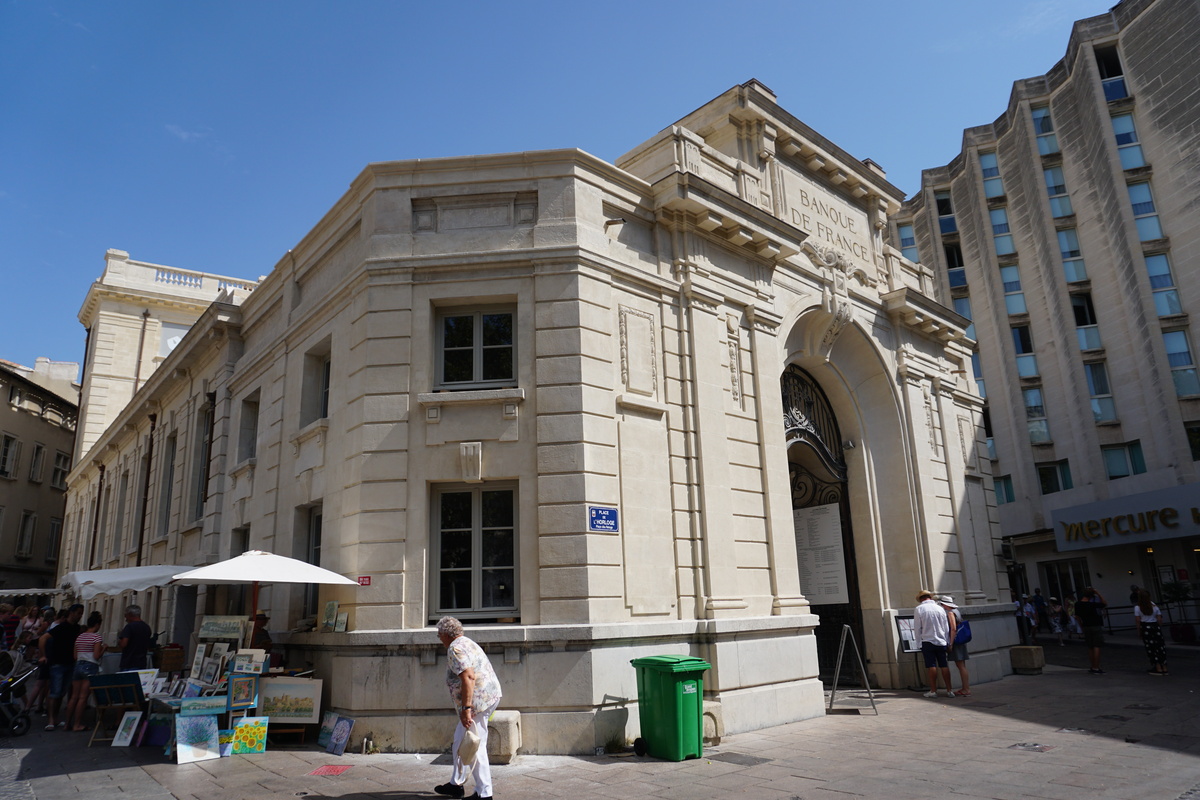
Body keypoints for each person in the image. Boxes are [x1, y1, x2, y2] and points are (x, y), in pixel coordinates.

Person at [434, 616, 502, 800]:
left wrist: (466, 708)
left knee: (475, 745)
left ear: (446, 635)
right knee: (459, 741)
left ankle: (484, 793)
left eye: (440, 635)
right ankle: (456, 784)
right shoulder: (466, 641)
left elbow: (469, 677)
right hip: (488, 696)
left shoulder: (455, 648)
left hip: (477, 703)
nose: (439, 638)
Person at [39, 603, 83, 730]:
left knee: (61, 692)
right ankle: (51, 720)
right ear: (72, 613)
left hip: (70, 663)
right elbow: (43, 638)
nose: (80, 616)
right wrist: (43, 655)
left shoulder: (77, 628)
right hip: (57, 663)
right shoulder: (61, 627)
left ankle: (56, 718)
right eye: (78, 613)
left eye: (81, 613)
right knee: (55, 692)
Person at [65, 611, 105, 731]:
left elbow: (75, 656)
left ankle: (67, 723)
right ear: (97, 624)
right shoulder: (96, 637)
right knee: (83, 698)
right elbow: (96, 655)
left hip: (78, 666)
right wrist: (104, 649)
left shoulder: (80, 636)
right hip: (90, 666)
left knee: (74, 697)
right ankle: (77, 724)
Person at [913, 590, 953, 699]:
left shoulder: (919, 609)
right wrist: (947, 641)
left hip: (927, 640)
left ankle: (933, 690)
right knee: (944, 665)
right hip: (941, 641)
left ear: (921, 599)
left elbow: (917, 628)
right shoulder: (940, 608)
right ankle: (949, 690)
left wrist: (918, 643)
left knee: (931, 666)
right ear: (929, 598)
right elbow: (946, 627)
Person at [939, 595, 971, 697]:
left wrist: (951, 643)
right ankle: (965, 688)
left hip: (956, 641)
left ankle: (966, 689)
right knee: (962, 665)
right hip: (961, 640)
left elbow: (953, 629)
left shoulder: (950, 613)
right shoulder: (956, 611)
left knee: (960, 665)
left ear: (944, 604)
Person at [1134, 589, 1168, 676]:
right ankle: (1164, 666)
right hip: (1155, 627)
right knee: (1160, 647)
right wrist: (1158, 626)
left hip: (1146, 627)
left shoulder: (1138, 607)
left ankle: (1157, 667)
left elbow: (1138, 620)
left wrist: (1139, 631)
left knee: (1151, 648)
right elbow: (1159, 618)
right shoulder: (1154, 606)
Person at [1074, 587, 1107, 674]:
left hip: (1086, 625)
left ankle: (1093, 666)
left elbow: (1077, 617)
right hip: (1095, 625)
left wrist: (1081, 626)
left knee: (1090, 647)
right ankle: (1096, 666)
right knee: (1097, 646)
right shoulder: (1092, 604)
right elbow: (1104, 603)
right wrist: (1098, 593)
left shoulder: (1077, 604)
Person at [117, 605, 153, 671]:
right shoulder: (146, 627)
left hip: (129, 663)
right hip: (141, 663)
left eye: (126, 615)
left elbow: (123, 644)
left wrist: (119, 641)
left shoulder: (129, 627)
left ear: (130, 615)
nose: (125, 619)